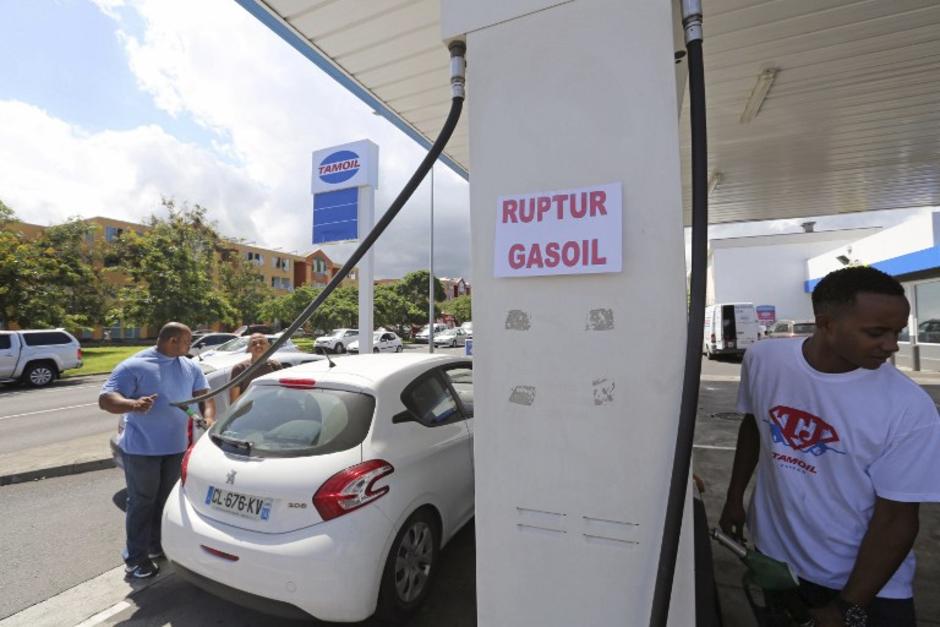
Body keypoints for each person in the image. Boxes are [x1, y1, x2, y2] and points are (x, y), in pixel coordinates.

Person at [720, 266, 940, 627]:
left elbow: (897, 521)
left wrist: (848, 608)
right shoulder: (765, 360)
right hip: (776, 561)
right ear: (825, 324)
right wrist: (733, 498)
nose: (892, 345)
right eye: (876, 332)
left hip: (864, 586)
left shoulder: (909, 408)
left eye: (897, 331)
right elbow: (753, 425)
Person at [99, 322, 215, 579]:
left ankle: (155, 546)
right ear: (173, 341)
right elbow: (106, 399)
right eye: (187, 342)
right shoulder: (135, 365)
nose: (189, 346)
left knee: (163, 502)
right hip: (142, 449)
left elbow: (205, 396)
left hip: (175, 448)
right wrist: (132, 404)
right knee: (141, 503)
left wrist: (207, 417)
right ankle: (135, 559)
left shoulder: (189, 365)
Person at [228, 333, 282, 404]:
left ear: (268, 346)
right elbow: (234, 401)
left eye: (261, 342)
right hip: (250, 412)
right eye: (253, 344)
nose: (258, 345)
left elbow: (281, 392)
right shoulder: (239, 369)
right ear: (249, 349)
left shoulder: (275, 365)